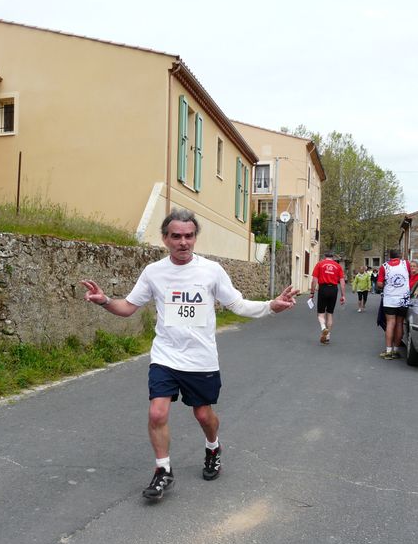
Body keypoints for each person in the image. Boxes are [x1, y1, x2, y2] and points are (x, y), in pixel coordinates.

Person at [81, 208, 299, 501]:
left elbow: (238, 305)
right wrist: (105, 300)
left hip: (201, 359)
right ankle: (163, 471)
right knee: (157, 412)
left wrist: (271, 305)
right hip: (166, 356)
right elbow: (128, 307)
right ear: (165, 239)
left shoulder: (211, 271)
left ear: (195, 237)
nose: (183, 242)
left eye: (189, 236)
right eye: (176, 236)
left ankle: (213, 447)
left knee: (203, 414)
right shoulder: (154, 272)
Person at [376, 249, 411, 359]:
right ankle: (396, 350)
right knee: (400, 323)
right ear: (400, 256)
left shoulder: (384, 266)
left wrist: (384, 284)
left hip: (390, 298)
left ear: (390, 256)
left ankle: (388, 351)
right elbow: (410, 276)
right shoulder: (406, 264)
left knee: (391, 323)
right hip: (403, 298)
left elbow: (380, 284)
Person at [309, 252, 346, 344]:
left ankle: (323, 327)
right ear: (332, 258)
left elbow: (314, 280)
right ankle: (327, 337)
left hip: (323, 289)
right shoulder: (338, 266)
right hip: (333, 289)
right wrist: (343, 295)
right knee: (330, 314)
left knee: (321, 314)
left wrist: (312, 293)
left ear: (324, 257)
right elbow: (342, 282)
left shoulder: (320, 264)